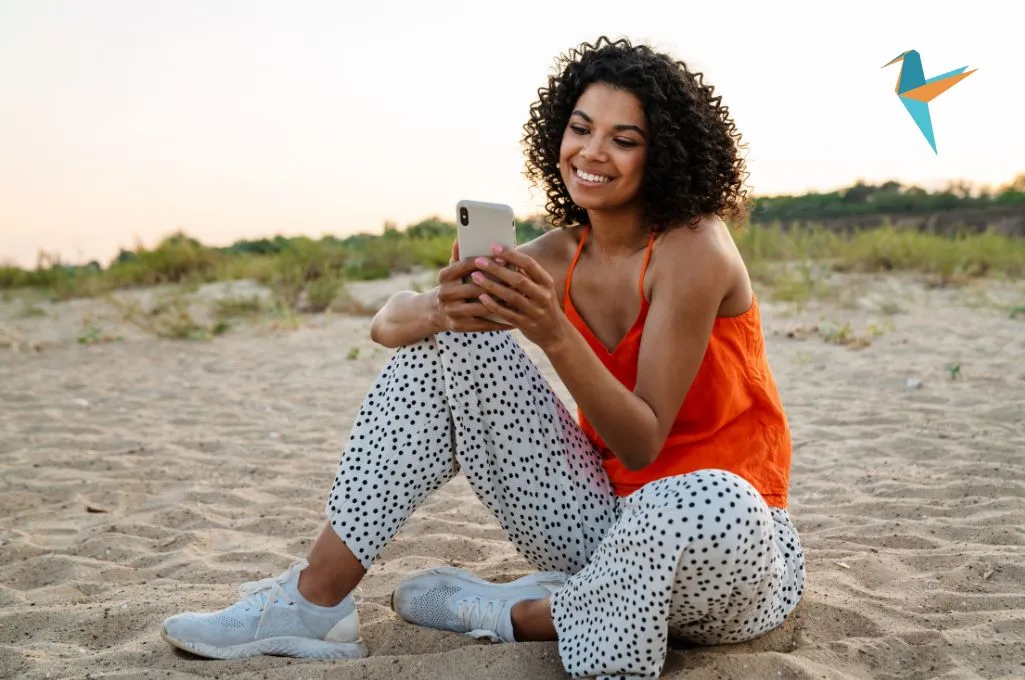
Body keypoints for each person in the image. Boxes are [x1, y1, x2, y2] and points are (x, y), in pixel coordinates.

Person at [160, 36, 805, 680]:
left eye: (623, 139)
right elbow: (389, 324)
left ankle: (525, 614)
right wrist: (445, 309)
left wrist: (554, 333)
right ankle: (314, 601)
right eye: (580, 128)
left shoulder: (695, 249)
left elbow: (643, 441)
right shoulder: (558, 255)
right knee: (459, 336)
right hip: (599, 524)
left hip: (728, 547)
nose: (592, 152)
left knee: (711, 497)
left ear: (662, 157)